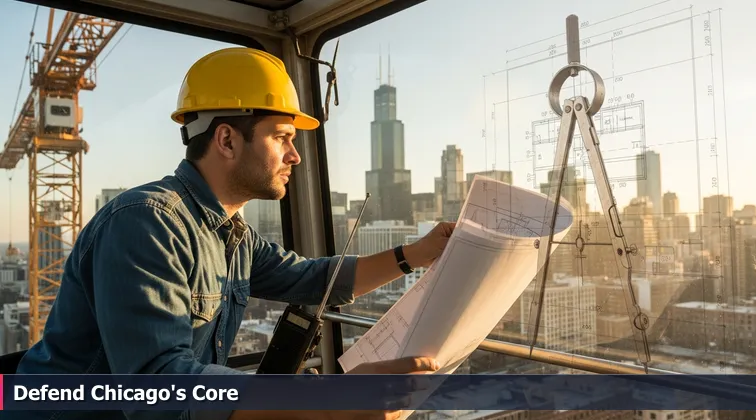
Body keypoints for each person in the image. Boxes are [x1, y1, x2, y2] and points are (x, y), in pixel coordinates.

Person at [10, 47, 455, 420]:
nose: (295, 157)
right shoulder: (146, 223)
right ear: (226, 140)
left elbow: (315, 279)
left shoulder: (232, 236)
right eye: (282, 137)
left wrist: (417, 253)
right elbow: (160, 386)